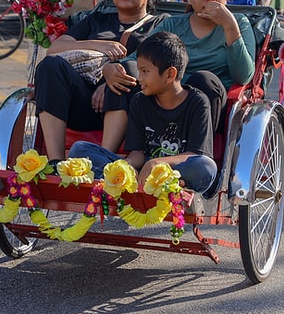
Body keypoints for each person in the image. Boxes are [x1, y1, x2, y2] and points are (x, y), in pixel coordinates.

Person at [34, 0, 164, 163]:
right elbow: (55, 48)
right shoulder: (97, 20)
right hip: (86, 103)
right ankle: (55, 162)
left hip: (134, 107)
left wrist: (109, 74)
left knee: (125, 70)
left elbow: (160, 63)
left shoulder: (160, 23)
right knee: (49, 66)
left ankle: (103, 161)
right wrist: (97, 44)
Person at [105, 0, 255, 137]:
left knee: (203, 79)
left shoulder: (238, 24)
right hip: (167, 100)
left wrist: (230, 27)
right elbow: (139, 57)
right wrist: (111, 67)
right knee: (128, 71)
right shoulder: (173, 24)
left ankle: (194, 151)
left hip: (211, 106)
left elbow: (244, 75)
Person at [69, 32, 218, 193]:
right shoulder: (139, 100)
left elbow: (195, 154)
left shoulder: (198, 102)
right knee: (79, 150)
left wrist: (158, 163)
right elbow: (137, 153)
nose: (139, 78)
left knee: (206, 166)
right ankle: (128, 181)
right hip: (142, 170)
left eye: (145, 71)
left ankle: (172, 184)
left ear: (170, 74)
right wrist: (127, 166)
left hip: (175, 170)